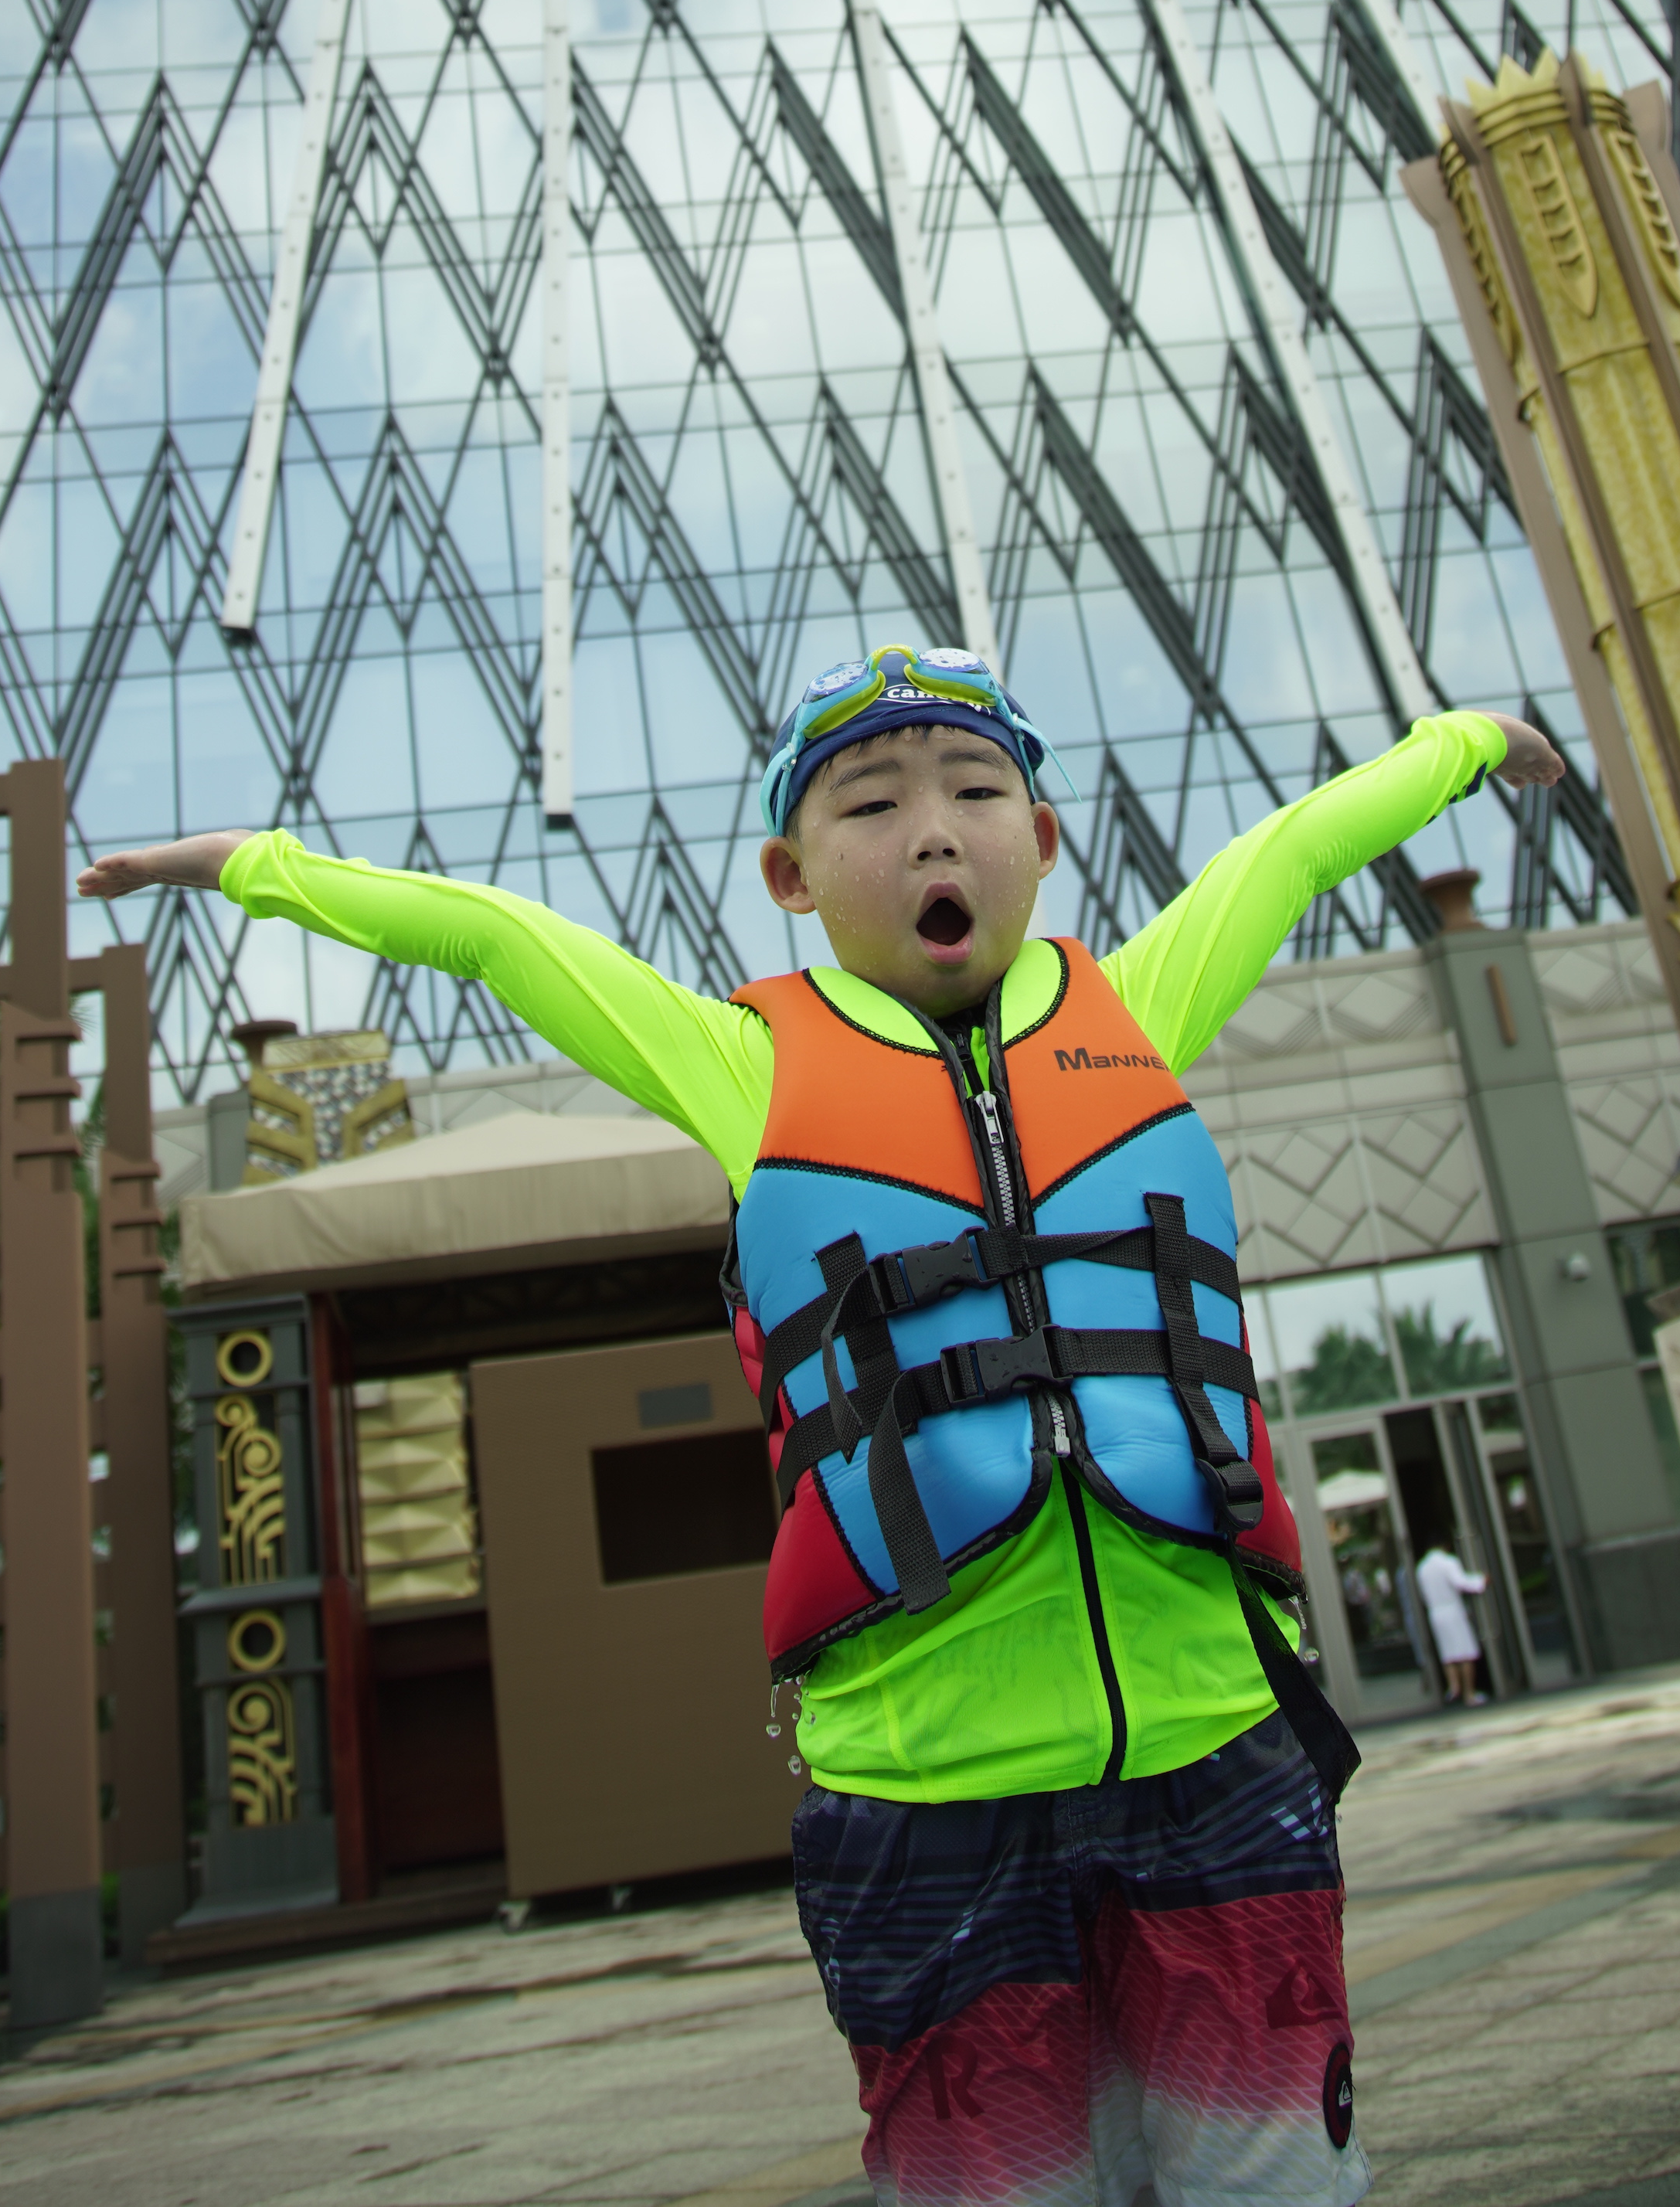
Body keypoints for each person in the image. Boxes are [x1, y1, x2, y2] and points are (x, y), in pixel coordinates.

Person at [82, 642, 1562, 2207]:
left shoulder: (1139, 1007)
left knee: (1274, 2185)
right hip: (921, 1795)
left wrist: (1468, 743)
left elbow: (1298, 846)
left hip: (1216, 1748)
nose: (932, 833)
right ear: (790, 878)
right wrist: (249, 865)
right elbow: (499, 939)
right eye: (871, 806)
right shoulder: (745, 1070)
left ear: (1040, 841)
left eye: (974, 792)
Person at [1413, 1539, 1491, 1706]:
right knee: (1465, 1652)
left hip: (1436, 1612)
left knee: (1448, 1654)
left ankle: (1454, 1688)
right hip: (1452, 1610)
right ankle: (1469, 1694)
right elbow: (1460, 1582)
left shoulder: (1422, 1568)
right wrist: (1480, 1581)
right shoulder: (1448, 1562)